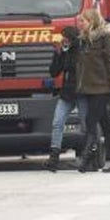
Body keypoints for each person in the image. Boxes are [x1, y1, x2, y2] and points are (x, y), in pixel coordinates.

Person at [76, 8, 110, 173]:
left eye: (83, 21)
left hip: (102, 88)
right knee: (106, 124)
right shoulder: (84, 40)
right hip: (89, 88)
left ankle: (86, 158)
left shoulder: (105, 39)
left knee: (91, 121)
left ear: (92, 22)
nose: (80, 24)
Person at [44, 26, 87, 172]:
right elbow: (54, 72)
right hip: (67, 92)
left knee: (85, 124)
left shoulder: (81, 50)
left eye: (66, 38)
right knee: (57, 122)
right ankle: (54, 156)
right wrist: (58, 54)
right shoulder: (65, 52)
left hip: (82, 92)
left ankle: (88, 155)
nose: (64, 41)